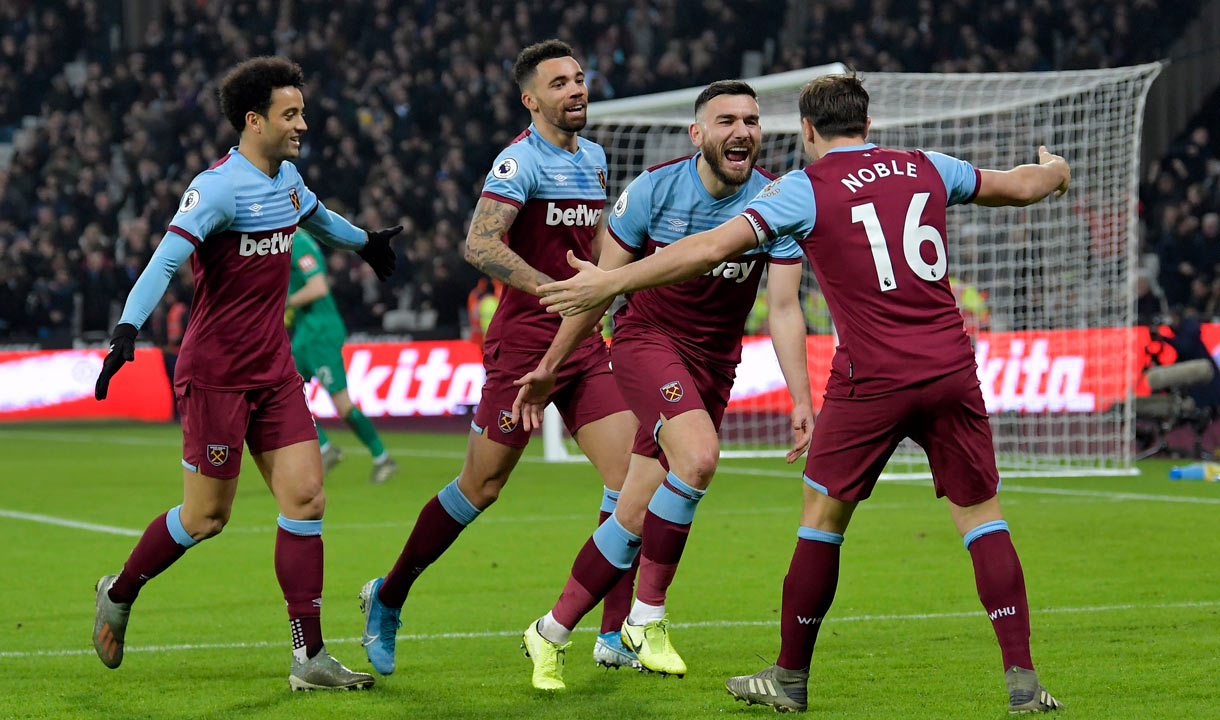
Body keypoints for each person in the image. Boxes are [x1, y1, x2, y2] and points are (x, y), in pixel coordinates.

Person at [539, 73, 1070, 714]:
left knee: (821, 525)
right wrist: (1056, 169)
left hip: (870, 379)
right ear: (869, 126)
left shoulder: (802, 188)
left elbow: (707, 248)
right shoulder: (927, 166)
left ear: (809, 132)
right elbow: (1023, 186)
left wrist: (606, 283)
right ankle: (1022, 680)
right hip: (951, 369)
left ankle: (788, 677)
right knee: (983, 518)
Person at [91, 56, 400, 691]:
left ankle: (308, 655)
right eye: (291, 114)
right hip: (216, 375)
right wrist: (127, 330)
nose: (302, 125)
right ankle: (119, 590)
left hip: (274, 371)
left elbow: (316, 215)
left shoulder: (286, 179)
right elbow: (165, 259)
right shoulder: (218, 189)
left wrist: (365, 241)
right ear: (254, 120)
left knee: (307, 497)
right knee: (206, 517)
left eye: (302, 112)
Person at [512, 80, 813, 690]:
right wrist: (549, 367)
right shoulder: (652, 190)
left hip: (714, 367)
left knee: (631, 516)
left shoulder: (777, 201)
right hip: (648, 344)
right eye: (726, 120)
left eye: (752, 121)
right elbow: (598, 290)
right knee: (699, 460)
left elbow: (783, 308)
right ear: (697, 134)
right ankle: (645, 619)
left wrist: (803, 397)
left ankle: (549, 631)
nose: (743, 132)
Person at [356, 40, 639, 678]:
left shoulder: (593, 159)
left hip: (584, 342)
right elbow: (479, 243)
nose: (576, 90)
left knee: (633, 482)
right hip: (523, 344)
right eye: (560, 83)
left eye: (579, 79)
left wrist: (606, 290)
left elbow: (596, 245)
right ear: (530, 99)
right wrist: (552, 290)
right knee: (481, 487)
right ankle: (389, 594)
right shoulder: (519, 162)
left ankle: (614, 633)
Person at [286, 227, 398, 484]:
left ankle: (382, 458)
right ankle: (325, 448)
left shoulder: (300, 244)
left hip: (321, 333)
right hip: (305, 331)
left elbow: (318, 287)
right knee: (282, 391)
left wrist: (284, 302)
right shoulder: (287, 243)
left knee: (342, 404)